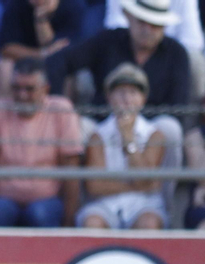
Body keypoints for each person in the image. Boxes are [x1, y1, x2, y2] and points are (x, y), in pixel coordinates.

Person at [48, 0, 192, 178]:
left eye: (154, 25)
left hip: (151, 126)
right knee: (75, 129)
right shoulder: (108, 40)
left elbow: (178, 109)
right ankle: (80, 200)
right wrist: (60, 106)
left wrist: (134, 123)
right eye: (142, 22)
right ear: (128, 16)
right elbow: (59, 61)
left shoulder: (176, 53)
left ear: (164, 26)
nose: (147, 29)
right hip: (102, 120)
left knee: (171, 129)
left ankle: (165, 202)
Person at [0, 55, 84, 225]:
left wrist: (69, 221)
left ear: (45, 89)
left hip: (47, 200)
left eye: (29, 89)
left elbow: (71, 168)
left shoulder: (62, 110)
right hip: (5, 198)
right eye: (16, 88)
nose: (22, 95)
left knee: (39, 214)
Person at [78, 63, 169, 227]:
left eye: (133, 92)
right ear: (109, 97)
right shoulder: (97, 135)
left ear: (143, 99)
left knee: (149, 223)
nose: (126, 99)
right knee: (92, 222)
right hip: (104, 205)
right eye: (120, 92)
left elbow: (145, 179)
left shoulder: (155, 134)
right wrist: (135, 185)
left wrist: (128, 139)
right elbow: (95, 186)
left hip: (144, 205)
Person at [0, 0, 88, 97]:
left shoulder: (73, 5)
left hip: (57, 64)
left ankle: (58, 117)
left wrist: (41, 19)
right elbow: (7, 48)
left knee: (66, 72)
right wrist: (43, 54)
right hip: (23, 61)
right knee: (4, 67)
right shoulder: (16, 4)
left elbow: (64, 50)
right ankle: (3, 118)